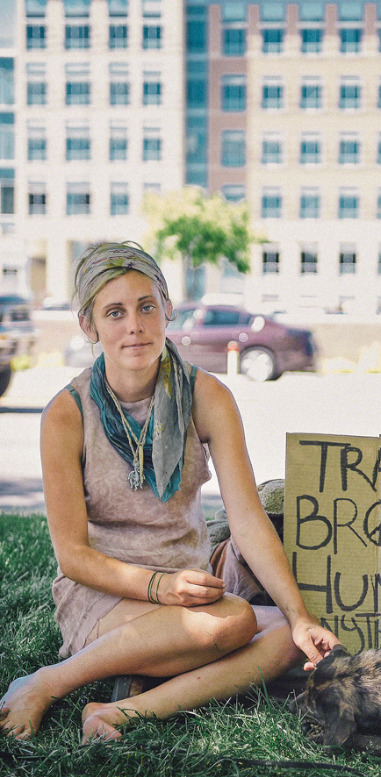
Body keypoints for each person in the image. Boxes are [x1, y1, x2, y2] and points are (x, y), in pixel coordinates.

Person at [0, 241, 339, 742]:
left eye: (146, 307)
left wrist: (299, 615)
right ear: (89, 326)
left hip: (192, 592)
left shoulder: (207, 396)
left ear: (167, 310)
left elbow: (246, 519)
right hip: (105, 595)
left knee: (288, 640)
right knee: (232, 622)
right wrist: (159, 587)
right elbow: (73, 557)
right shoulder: (67, 413)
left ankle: (121, 710)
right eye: (115, 312)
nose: (134, 326)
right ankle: (46, 682)